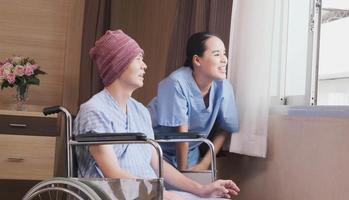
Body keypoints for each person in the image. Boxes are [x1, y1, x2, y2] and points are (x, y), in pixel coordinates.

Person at [73, 30, 240, 199]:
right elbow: (112, 173)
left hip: (149, 193)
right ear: (118, 64)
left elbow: (157, 163)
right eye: (138, 59)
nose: (144, 65)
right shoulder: (94, 110)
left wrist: (201, 189)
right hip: (120, 194)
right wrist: (164, 195)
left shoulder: (140, 111)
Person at [148, 32, 239, 171]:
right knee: (171, 189)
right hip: (156, 148)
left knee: (197, 190)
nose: (224, 59)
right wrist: (184, 172)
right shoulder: (176, 83)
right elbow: (181, 135)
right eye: (216, 54)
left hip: (189, 151)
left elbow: (225, 129)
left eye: (224, 53)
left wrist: (204, 164)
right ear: (197, 60)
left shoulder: (224, 87)